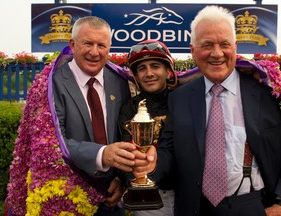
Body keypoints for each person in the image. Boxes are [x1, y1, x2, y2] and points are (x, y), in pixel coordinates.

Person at [132, 5, 281, 216]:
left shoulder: (266, 92)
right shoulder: (180, 98)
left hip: (251, 206)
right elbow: (169, 150)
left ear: (235, 47)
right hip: (193, 207)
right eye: (207, 45)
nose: (217, 53)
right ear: (193, 50)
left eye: (224, 44)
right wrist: (152, 164)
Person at [52, 16, 137, 215]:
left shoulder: (119, 81)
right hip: (67, 197)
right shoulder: (52, 84)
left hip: (111, 198)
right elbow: (52, 142)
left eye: (102, 45)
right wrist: (102, 154)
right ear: (72, 45)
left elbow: (124, 134)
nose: (94, 52)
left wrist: (120, 179)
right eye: (88, 43)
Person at [118, 40, 177, 216]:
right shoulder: (129, 108)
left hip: (187, 192)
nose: (149, 73)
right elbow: (124, 150)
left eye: (155, 66)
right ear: (136, 76)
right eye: (142, 68)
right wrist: (133, 183)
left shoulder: (183, 100)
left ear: (168, 72)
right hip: (147, 197)